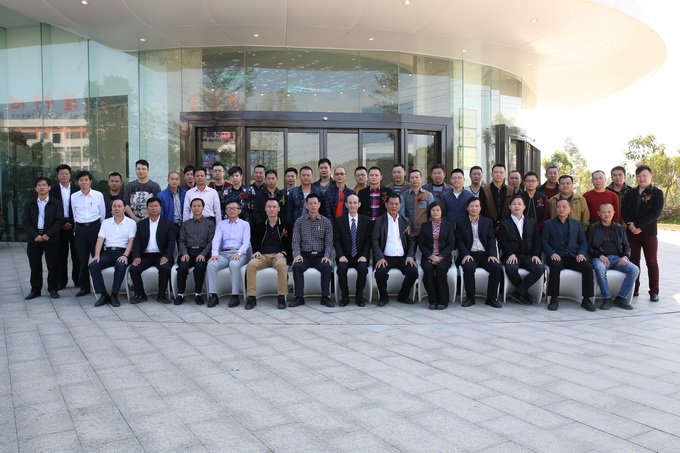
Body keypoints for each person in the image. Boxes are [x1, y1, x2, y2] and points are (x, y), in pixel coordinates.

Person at [542, 199, 596, 311]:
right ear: (556, 209)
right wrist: (551, 253)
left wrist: (581, 253)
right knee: (555, 266)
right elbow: (544, 242)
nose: (561, 209)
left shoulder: (576, 224)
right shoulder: (548, 224)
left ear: (569, 209)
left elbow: (583, 241)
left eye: (564, 207)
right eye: (558, 207)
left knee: (587, 267)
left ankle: (586, 299)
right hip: (557, 256)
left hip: (573, 256)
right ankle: (553, 299)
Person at [620, 165, 664, 302]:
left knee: (651, 262)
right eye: (639, 176)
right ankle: (635, 288)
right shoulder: (630, 192)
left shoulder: (657, 193)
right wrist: (631, 224)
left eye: (644, 175)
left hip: (648, 233)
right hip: (631, 232)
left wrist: (639, 225)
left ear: (650, 176)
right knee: (633, 262)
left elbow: (655, 212)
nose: (642, 178)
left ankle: (654, 291)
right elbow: (624, 210)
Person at [588, 202, 639, 310]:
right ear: (599, 213)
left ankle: (621, 298)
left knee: (634, 269)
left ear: (613, 213)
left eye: (609, 212)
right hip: (600, 259)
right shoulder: (593, 228)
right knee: (599, 268)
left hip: (617, 259)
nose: (607, 214)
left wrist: (625, 257)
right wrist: (600, 255)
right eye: (603, 212)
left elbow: (626, 246)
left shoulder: (619, 228)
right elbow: (589, 247)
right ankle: (607, 298)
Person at [456, 197, 503, 308]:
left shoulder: (487, 222)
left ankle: (491, 299)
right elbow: (459, 241)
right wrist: (465, 254)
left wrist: (492, 255)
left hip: (485, 255)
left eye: (477, 206)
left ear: (480, 208)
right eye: (471, 206)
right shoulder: (461, 222)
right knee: (468, 267)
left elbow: (491, 240)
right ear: (467, 208)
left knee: (496, 268)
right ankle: (470, 298)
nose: (474, 208)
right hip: (470, 254)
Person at [88, 199, 136, 307]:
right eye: (114, 206)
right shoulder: (106, 222)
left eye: (119, 206)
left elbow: (131, 241)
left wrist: (125, 255)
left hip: (123, 251)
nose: (117, 208)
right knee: (93, 265)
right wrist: (96, 255)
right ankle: (103, 294)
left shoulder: (131, 223)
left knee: (120, 265)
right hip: (108, 252)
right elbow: (100, 239)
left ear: (124, 208)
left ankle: (114, 294)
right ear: (112, 208)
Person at [246, 199, 292, 310]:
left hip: (278, 256)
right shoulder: (259, 226)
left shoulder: (286, 225)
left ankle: (281, 296)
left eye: (274, 207)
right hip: (263, 256)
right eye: (269, 207)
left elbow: (290, 243)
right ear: (265, 209)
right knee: (251, 265)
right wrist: (256, 251)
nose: (271, 209)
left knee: (282, 265)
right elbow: (254, 241)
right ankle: (251, 297)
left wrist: (283, 253)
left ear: (278, 209)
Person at [497, 195, 544, 305]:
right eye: (514, 204)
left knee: (539, 268)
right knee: (511, 269)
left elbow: (537, 240)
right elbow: (502, 241)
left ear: (524, 207)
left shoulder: (531, 221)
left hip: (528, 256)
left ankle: (518, 293)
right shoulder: (504, 223)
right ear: (509, 207)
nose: (517, 206)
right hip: (511, 255)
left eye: (519, 204)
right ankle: (524, 293)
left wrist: (535, 255)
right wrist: (510, 254)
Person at [372, 194, 417, 306]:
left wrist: (410, 256)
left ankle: (403, 295)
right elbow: (374, 240)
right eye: (391, 204)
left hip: (403, 257)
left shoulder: (406, 221)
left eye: (396, 204)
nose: (394, 206)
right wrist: (380, 257)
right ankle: (383, 297)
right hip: (385, 257)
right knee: (380, 273)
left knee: (413, 272)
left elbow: (412, 241)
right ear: (386, 205)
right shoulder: (379, 221)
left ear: (400, 205)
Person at [290, 193, 334, 307]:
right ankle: (299, 297)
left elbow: (329, 243)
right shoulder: (300, 221)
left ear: (319, 205)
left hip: (320, 256)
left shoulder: (326, 222)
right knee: (297, 267)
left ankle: (325, 297)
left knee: (326, 266)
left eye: (315, 203)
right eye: (310, 203)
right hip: (304, 255)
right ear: (306, 205)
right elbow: (295, 241)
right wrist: (297, 255)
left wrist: (327, 256)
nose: (313, 205)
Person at [129, 197, 176, 304]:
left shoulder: (167, 224)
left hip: (161, 255)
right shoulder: (141, 224)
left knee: (165, 268)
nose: (154, 208)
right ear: (147, 208)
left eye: (156, 206)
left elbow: (171, 242)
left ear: (160, 208)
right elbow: (137, 242)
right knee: (133, 269)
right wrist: (136, 256)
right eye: (151, 206)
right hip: (145, 256)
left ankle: (161, 295)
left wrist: (166, 256)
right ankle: (140, 294)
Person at [23, 177, 64, 300]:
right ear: (36, 188)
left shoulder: (56, 203)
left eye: (44, 185)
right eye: (39, 185)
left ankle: (53, 289)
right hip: (34, 238)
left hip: (51, 238)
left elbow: (59, 221)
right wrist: (35, 235)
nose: (42, 187)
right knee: (34, 265)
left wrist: (48, 234)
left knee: (53, 265)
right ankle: (35, 290)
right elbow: (25, 221)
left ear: (49, 187)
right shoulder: (30, 203)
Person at [207, 200, 251, 308]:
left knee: (234, 264)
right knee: (211, 265)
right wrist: (214, 254)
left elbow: (246, 242)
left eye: (234, 208)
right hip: (224, 253)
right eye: (229, 209)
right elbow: (216, 240)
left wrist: (239, 253)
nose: (231, 211)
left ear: (239, 211)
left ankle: (235, 295)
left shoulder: (245, 224)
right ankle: (214, 295)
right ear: (226, 211)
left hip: (239, 253)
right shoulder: (221, 224)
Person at [71, 170, 106, 297]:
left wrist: (101, 231)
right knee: (82, 259)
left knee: (98, 257)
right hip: (80, 229)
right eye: (81, 180)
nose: (84, 182)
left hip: (95, 228)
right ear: (77, 182)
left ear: (90, 181)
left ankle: (101, 285)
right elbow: (74, 214)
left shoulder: (98, 195)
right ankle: (84, 287)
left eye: (86, 180)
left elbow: (102, 213)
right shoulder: (74, 196)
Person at [174, 198, 215, 306]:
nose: (196, 208)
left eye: (199, 206)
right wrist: (184, 253)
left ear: (203, 208)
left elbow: (211, 242)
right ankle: (180, 294)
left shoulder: (209, 224)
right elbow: (181, 241)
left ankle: (198, 294)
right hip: (188, 252)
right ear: (191, 208)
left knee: (200, 267)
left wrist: (203, 254)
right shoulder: (185, 224)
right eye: (194, 206)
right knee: (182, 267)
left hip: (202, 252)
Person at [334, 194, 372, 307]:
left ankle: (359, 297)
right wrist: (340, 255)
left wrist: (364, 255)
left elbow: (368, 241)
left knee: (363, 269)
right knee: (341, 269)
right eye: (350, 203)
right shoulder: (339, 221)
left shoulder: (366, 220)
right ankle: (344, 296)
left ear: (359, 204)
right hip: (344, 256)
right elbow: (336, 240)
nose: (352, 205)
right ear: (346, 204)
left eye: (355, 202)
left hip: (360, 256)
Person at [419, 202, 455, 310]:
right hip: (428, 256)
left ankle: (443, 300)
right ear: (429, 212)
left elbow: (451, 244)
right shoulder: (424, 226)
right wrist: (431, 256)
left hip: (444, 257)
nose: (435, 212)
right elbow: (421, 244)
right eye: (433, 210)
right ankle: (433, 300)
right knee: (428, 269)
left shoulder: (448, 226)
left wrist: (440, 256)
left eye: (438, 210)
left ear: (442, 212)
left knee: (440, 269)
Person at [50, 164, 80, 289]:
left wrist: (72, 222)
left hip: (75, 225)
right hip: (59, 226)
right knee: (61, 255)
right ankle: (61, 281)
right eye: (61, 174)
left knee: (76, 254)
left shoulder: (77, 189)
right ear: (58, 176)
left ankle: (78, 280)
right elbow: (51, 210)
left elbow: (79, 208)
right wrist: (62, 223)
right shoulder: (52, 191)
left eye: (66, 173)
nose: (64, 176)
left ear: (70, 175)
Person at [400, 169, 434, 246]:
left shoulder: (428, 195)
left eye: (416, 177)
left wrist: (430, 229)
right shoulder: (404, 196)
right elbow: (402, 214)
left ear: (421, 179)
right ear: (409, 180)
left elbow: (432, 214)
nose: (414, 179)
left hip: (424, 231)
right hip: (409, 231)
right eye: (412, 178)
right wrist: (405, 227)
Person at [481, 163, 512, 229]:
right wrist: (493, 222)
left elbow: (512, 208)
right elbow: (483, 209)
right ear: (492, 174)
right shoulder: (484, 189)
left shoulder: (510, 190)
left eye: (501, 172)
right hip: (489, 225)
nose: (498, 174)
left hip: (507, 224)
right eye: (496, 172)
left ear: (505, 175)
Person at [158, 171, 186, 240]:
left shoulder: (185, 194)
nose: (174, 181)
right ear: (168, 180)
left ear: (179, 181)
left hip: (183, 225)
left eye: (176, 179)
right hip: (169, 226)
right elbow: (161, 214)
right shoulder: (161, 195)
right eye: (172, 179)